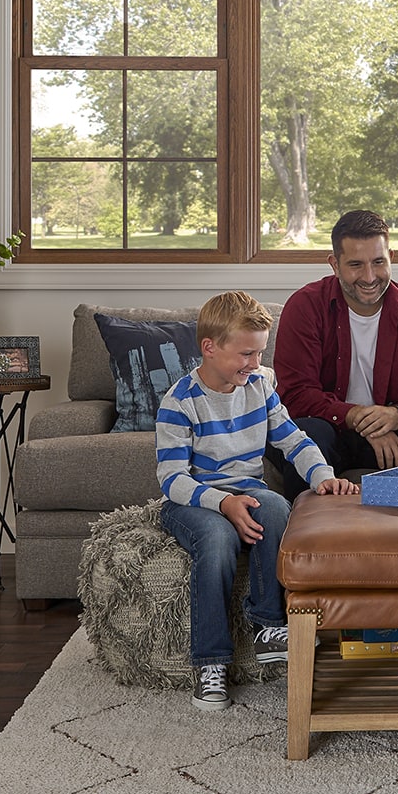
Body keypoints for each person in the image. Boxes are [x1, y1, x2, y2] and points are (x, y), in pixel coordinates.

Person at [155, 290, 357, 712]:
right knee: (215, 543)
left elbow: (292, 440)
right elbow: (171, 479)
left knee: (279, 507)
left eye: (260, 353)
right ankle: (210, 663)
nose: (256, 364)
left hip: (247, 489)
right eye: (246, 354)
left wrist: (323, 476)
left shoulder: (261, 387)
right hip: (194, 499)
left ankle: (268, 624)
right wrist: (222, 504)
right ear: (210, 348)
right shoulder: (179, 401)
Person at [269, 210, 398, 486]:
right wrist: (355, 417)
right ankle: (310, 527)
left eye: (379, 262)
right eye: (356, 264)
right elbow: (296, 395)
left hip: (394, 432)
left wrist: (397, 416)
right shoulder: (304, 307)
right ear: (334, 264)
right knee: (307, 433)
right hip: (328, 430)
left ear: (391, 257)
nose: (369, 277)